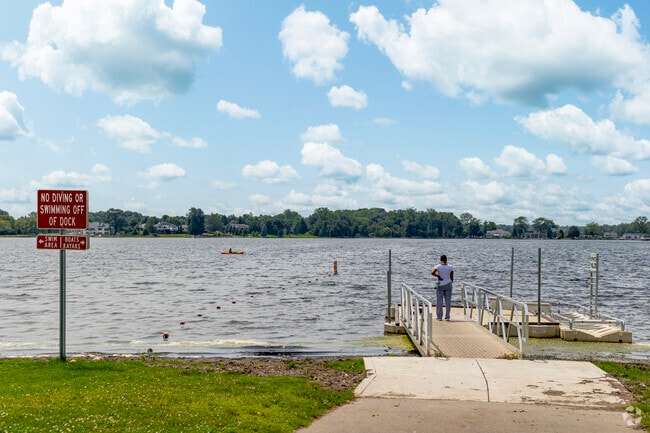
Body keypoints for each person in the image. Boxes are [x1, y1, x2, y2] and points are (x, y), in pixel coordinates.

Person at [431, 254, 454, 321]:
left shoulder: (438, 266)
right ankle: (447, 316)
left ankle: (439, 316)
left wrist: (438, 276)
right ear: (446, 259)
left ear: (440, 259)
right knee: (448, 301)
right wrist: (450, 281)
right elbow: (452, 276)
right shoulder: (450, 267)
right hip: (448, 284)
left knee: (439, 301)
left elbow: (432, 272)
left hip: (440, 284)